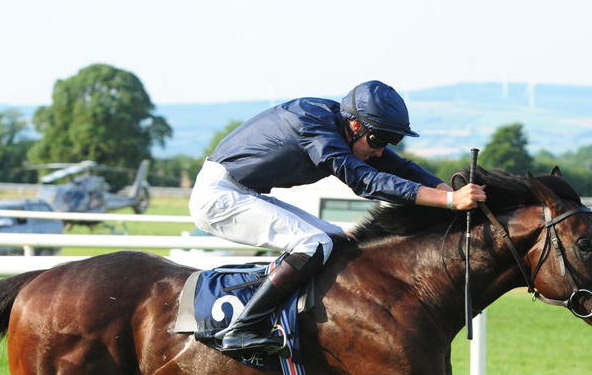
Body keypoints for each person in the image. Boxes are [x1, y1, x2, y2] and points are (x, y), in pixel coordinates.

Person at [190, 80, 486, 357]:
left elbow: (401, 168)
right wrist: (448, 201)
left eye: (389, 141)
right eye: (378, 139)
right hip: (218, 196)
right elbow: (365, 181)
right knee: (314, 244)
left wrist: (450, 192)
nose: (381, 149)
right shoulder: (315, 128)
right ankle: (242, 329)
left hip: (246, 192)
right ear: (355, 124)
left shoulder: (344, 127)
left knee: (337, 241)